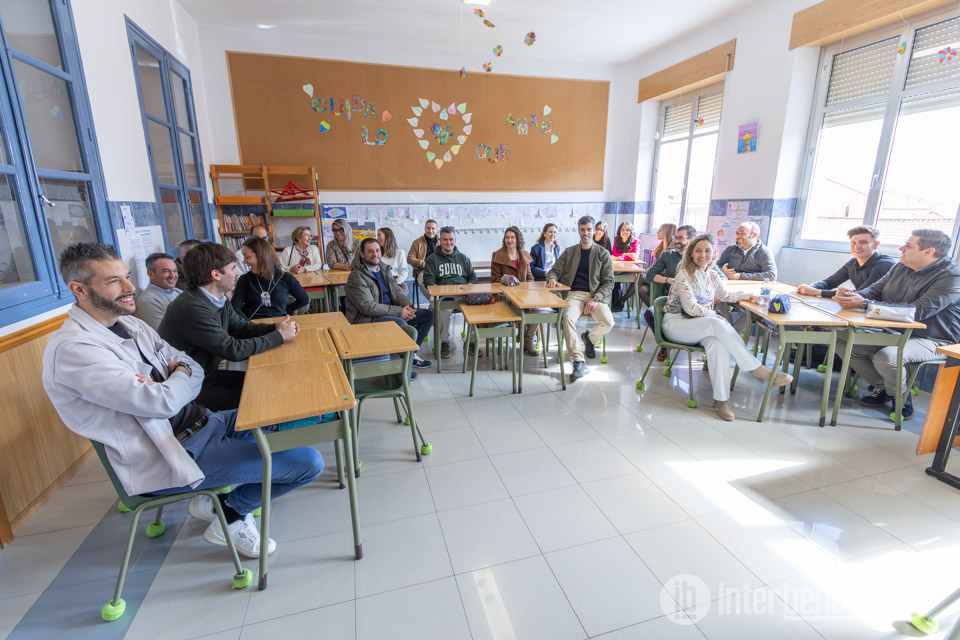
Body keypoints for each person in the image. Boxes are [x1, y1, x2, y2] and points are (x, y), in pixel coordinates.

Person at [42, 242, 322, 558]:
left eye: (126, 277)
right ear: (79, 289)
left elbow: (188, 365)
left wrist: (174, 377)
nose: (130, 287)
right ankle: (229, 514)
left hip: (202, 422)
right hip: (175, 452)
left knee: (273, 411)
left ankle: (214, 502)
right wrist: (176, 376)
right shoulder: (75, 351)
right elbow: (162, 401)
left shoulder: (128, 324)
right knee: (309, 463)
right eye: (113, 281)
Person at [662, 234, 792, 421]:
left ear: (714, 253)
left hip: (700, 326)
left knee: (718, 344)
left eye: (707, 250)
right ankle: (758, 370)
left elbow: (726, 294)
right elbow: (691, 308)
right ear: (691, 254)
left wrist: (748, 296)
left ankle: (723, 401)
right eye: (698, 250)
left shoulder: (712, 275)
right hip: (676, 323)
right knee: (717, 322)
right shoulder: (683, 274)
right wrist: (715, 316)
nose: (702, 255)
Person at [835, 229, 960, 420]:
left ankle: (900, 396)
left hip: (936, 339)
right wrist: (854, 295)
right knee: (846, 347)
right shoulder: (902, 265)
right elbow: (874, 290)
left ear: (929, 252)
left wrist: (863, 304)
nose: (902, 248)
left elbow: (917, 311)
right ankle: (884, 387)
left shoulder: (952, 277)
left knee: (887, 357)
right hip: (896, 330)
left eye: (909, 246)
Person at [159, 242, 299, 411]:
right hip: (188, 387)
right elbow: (232, 350)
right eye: (233, 268)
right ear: (216, 274)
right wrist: (279, 337)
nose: (237, 272)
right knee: (262, 394)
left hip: (205, 375)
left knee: (264, 381)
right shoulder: (193, 308)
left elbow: (240, 328)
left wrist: (276, 327)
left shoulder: (216, 298)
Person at [345, 237, 433, 370]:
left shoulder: (383, 268)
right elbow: (369, 307)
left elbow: (397, 292)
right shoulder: (357, 276)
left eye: (377, 250)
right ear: (362, 254)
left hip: (389, 312)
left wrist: (408, 308)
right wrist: (399, 313)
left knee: (427, 315)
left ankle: (408, 357)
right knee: (401, 324)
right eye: (370, 251)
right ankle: (400, 366)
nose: (375, 254)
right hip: (367, 318)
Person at [546, 216, 615, 382]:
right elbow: (554, 270)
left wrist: (596, 298)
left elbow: (609, 281)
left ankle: (589, 338)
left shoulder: (602, 253)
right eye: (583, 229)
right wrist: (552, 278)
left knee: (608, 322)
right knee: (567, 317)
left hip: (595, 296)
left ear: (594, 231)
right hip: (574, 294)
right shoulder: (569, 252)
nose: (586, 233)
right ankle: (578, 361)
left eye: (589, 229)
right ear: (578, 231)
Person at [643, 224, 698, 360]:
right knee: (650, 314)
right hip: (670, 299)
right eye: (675, 237)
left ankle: (709, 357)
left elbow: (721, 277)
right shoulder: (668, 255)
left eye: (680, 238)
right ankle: (664, 344)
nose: (676, 241)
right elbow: (650, 274)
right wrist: (668, 280)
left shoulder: (699, 256)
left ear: (691, 240)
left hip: (695, 301)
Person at [422, 226, 477, 359]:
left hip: (463, 296)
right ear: (440, 240)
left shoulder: (463, 258)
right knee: (442, 311)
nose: (448, 243)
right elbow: (429, 280)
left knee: (478, 310)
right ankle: (444, 341)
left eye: (451, 239)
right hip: (444, 297)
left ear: (455, 240)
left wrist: (466, 290)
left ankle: (471, 341)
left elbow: (472, 277)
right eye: (445, 240)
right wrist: (443, 293)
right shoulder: (432, 259)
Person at [797, 225, 896, 298]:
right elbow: (829, 282)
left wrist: (816, 292)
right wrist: (810, 287)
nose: (857, 247)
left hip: (879, 314)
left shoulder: (884, 264)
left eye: (863, 242)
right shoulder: (853, 263)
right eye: (853, 243)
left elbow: (861, 293)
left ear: (875, 244)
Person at [232, 237, 309, 320]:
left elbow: (304, 299)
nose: (244, 261)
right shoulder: (245, 279)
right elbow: (235, 308)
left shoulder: (285, 278)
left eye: (247, 257)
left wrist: (285, 310)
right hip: (254, 327)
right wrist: (248, 325)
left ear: (261, 256)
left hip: (279, 326)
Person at [491, 226, 539, 356]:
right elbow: (495, 280)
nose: (509, 240)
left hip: (524, 294)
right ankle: (522, 335)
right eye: (507, 237)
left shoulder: (524, 255)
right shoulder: (497, 255)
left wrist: (528, 292)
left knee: (537, 308)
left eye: (512, 237)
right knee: (521, 309)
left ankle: (528, 340)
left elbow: (530, 278)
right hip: (506, 296)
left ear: (518, 239)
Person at [134, 252, 181, 330]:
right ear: (151, 274)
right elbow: (164, 334)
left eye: (175, 271)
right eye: (166, 271)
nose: (172, 275)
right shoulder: (148, 301)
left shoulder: (177, 291)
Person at [611, 221, 641, 313]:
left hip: (632, 269)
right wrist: (625, 256)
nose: (625, 232)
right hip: (619, 268)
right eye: (623, 230)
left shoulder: (636, 241)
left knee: (617, 278)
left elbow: (634, 257)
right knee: (612, 277)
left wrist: (619, 257)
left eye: (627, 230)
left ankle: (620, 302)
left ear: (631, 231)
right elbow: (613, 255)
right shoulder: (616, 239)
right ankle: (614, 303)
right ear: (619, 231)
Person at [407, 219, 439, 299]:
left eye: (433, 228)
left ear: (436, 229)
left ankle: (437, 303)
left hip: (440, 270)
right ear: (425, 229)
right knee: (422, 283)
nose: (430, 231)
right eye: (428, 228)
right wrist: (422, 263)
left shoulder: (442, 242)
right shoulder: (417, 242)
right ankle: (435, 302)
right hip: (424, 270)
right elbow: (410, 258)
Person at [377, 227, 410, 294]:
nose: (378, 238)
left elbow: (404, 271)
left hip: (397, 282)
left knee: (395, 296)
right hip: (382, 283)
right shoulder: (378, 254)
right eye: (377, 236)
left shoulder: (400, 253)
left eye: (379, 235)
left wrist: (395, 283)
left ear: (387, 236)